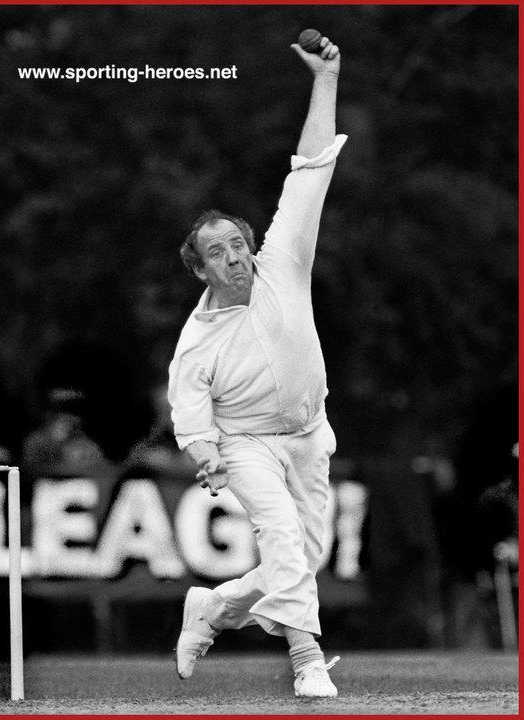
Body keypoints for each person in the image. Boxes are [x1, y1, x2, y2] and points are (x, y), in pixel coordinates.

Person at [168, 34, 346, 698]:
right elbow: (191, 418)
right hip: (245, 443)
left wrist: (325, 79)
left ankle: (213, 608)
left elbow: (311, 170)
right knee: (281, 536)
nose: (234, 258)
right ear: (200, 270)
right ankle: (306, 661)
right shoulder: (197, 343)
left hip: (309, 433)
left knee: (306, 556)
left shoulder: (283, 262)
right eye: (217, 253)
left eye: (237, 244)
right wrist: (208, 456)